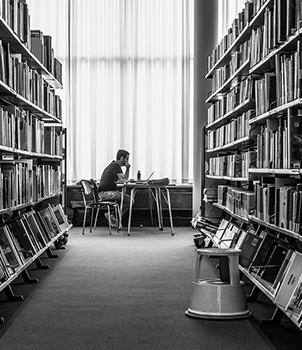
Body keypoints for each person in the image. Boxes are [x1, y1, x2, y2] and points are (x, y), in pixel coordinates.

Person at [97, 149, 132, 227]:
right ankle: (113, 216)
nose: (128, 161)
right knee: (130, 200)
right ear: (122, 158)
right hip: (105, 194)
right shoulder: (115, 166)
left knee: (125, 198)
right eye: (127, 159)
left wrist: (127, 169)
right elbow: (124, 180)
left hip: (104, 193)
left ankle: (113, 215)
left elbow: (124, 179)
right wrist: (128, 168)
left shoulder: (113, 165)